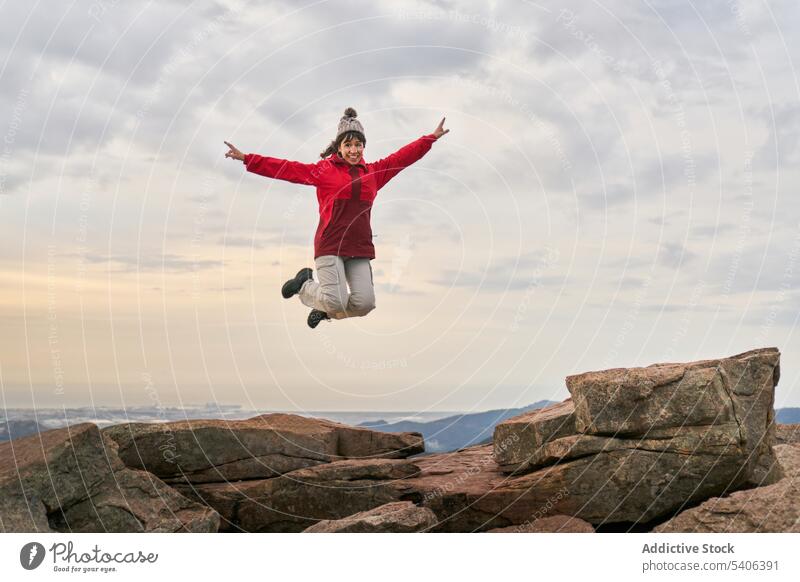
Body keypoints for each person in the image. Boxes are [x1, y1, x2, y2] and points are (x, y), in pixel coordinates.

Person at [224, 107, 449, 328]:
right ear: (339, 147)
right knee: (336, 300)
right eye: (348, 145)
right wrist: (247, 158)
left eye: (358, 144)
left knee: (365, 304)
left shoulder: (374, 174)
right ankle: (304, 285)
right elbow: (287, 169)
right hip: (330, 245)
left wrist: (430, 139)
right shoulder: (324, 171)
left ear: (363, 146)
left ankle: (325, 310)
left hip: (358, 247)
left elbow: (403, 157)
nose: (354, 150)